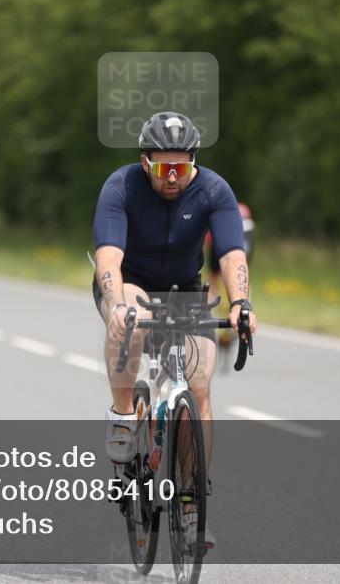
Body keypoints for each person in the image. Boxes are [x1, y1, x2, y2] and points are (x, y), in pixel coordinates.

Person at [92, 111, 258, 549]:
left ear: (193, 164)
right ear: (144, 162)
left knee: (199, 388)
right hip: (130, 282)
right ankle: (123, 417)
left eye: (181, 169)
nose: (172, 177)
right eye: (163, 167)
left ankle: (190, 500)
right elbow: (108, 257)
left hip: (184, 288)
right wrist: (116, 306)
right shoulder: (121, 186)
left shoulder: (214, 190)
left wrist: (240, 303)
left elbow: (232, 255)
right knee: (131, 321)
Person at [205, 202, 254, 346]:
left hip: (219, 238)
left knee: (213, 277)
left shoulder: (219, 205)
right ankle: (244, 311)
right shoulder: (241, 210)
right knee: (241, 274)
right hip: (246, 237)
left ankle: (210, 315)